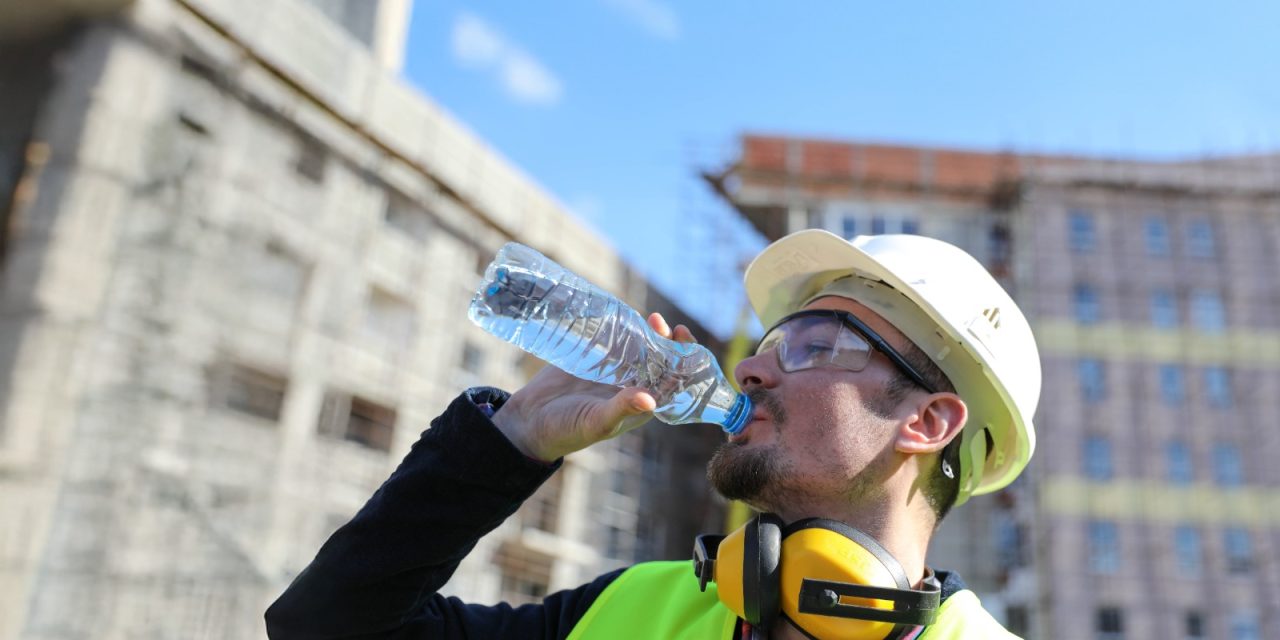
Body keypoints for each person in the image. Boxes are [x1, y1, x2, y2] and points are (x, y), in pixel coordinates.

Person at [265, 229, 1042, 639]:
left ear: (928, 420)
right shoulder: (634, 609)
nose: (751, 372)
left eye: (812, 346)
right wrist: (509, 441)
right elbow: (325, 629)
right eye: (766, 346)